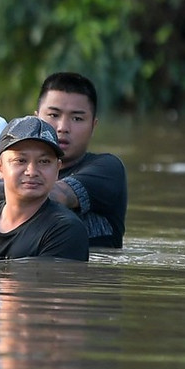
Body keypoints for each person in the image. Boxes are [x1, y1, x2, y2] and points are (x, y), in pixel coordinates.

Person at [0, 116, 90, 261]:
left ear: (57, 169)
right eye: (20, 161)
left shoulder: (66, 230)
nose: (32, 171)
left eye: (44, 161)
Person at [32, 72, 127, 247]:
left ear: (93, 126)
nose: (63, 128)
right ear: (36, 119)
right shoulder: (12, 167)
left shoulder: (108, 169)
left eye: (77, 118)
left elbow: (59, 195)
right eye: (53, 115)